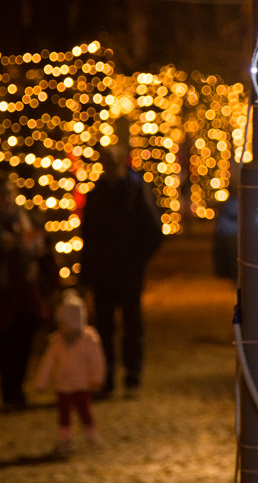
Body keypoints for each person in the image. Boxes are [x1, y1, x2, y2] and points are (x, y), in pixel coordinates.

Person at [79, 145, 163, 397]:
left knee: (131, 326)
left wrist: (137, 262)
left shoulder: (135, 190)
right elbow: (89, 235)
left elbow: (153, 232)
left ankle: (132, 375)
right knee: (104, 327)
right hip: (104, 273)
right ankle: (107, 376)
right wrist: (87, 271)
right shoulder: (97, 193)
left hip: (128, 272)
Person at [0, 178, 57, 409]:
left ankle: (19, 388)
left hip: (28, 291)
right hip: (1, 292)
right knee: (5, 342)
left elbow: (45, 252)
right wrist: (2, 248)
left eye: (10, 194)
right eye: (2, 194)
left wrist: (39, 250)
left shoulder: (29, 220)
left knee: (25, 341)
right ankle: (8, 391)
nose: (7, 199)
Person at [35, 289, 106, 454]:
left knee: (85, 410)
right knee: (64, 414)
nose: (62, 327)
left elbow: (96, 361)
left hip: (82, 384)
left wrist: (97, 378)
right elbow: (48, 363)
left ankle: (91, 435)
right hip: (63, 385)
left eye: (65, 323)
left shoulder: (88, 341)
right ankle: (66, 440)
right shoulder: (57, 342)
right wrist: (41, 382)